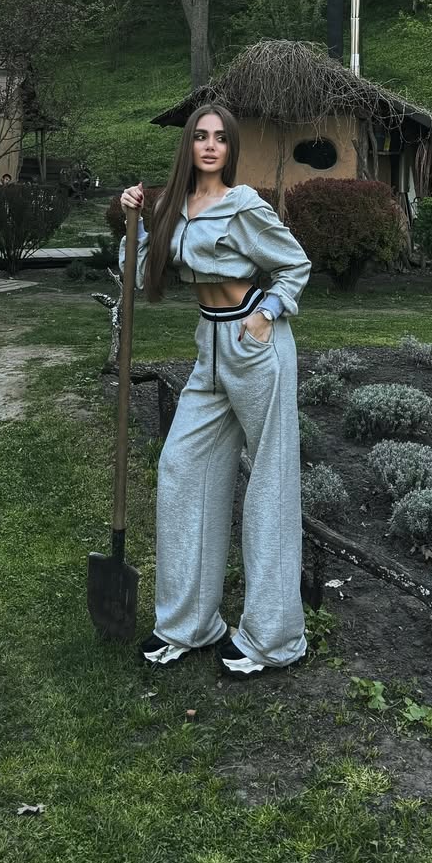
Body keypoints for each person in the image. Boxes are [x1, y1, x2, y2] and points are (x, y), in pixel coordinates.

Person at [119, 106, 311, 675]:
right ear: (188, 145)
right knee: (182, 469)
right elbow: (138, 276)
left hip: (255, 344)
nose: (209, 145)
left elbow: (294, 265)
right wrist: (135, 222)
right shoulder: (172, 208)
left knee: (269, 484)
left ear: (231, 149)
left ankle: (273, 639)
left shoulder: (242, 204)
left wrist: (267, 314)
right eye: (200, 136)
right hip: (209, 346)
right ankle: (188, 625)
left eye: (220, 138)